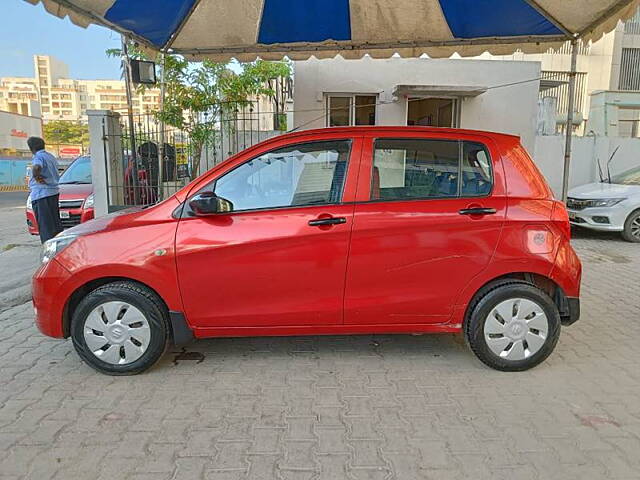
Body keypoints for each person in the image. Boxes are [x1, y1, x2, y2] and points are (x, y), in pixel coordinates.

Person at [27, 136, 63, 243]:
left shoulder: (38, 157)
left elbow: (37, 167)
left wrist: (36, 176)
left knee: (46, 226)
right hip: (53, 192)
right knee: (55, 225)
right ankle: (58, 247)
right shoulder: (50, 156)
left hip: (41, 195)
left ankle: (49, 250)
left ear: (31, 148)